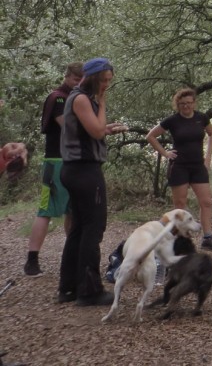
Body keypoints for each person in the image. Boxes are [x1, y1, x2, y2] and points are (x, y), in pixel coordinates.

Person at [57, 57, 128, 306]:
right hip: (84, 171)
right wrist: (102, 103)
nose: (107, 84)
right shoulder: (81, 98)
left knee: (78, 228)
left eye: (110, 81)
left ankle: (68, 288)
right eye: (105, 80)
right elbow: (96, 132)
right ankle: (89, 291)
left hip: (76, 170)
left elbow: (93, 130)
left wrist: (106, 128)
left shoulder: (81, 99)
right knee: (93, 228)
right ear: (95, 77)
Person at [146, 87, 212, 251]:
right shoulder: (172, 120)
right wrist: (165, 153)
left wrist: (208, 157)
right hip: (179, 166)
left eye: (189, 103)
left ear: (194, 103)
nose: (186, 106)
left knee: (206, 202)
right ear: (177, 104)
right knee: (180, 205)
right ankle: (179, 241)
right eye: (182, 104)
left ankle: (208, 237)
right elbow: (151, 136)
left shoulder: (201, 118)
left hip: (198, 166)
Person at [24, 62, 84, 277]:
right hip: (55, 161)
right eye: (76, 79)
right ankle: (32, 260)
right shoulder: (58, 97)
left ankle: (72, 255)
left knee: (73, 211)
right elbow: (69, 125)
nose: (79, 83)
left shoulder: (77, 98)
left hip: (74, 161)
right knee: (46, 210)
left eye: (82, 80)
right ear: (67, 76)